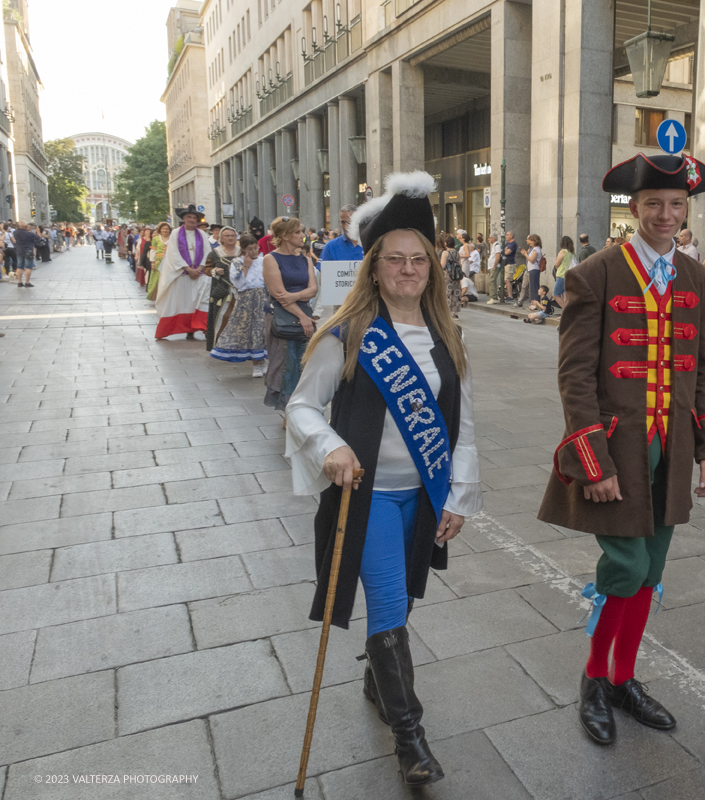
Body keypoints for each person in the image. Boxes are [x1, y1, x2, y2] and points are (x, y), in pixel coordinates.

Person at [285, 172, 479, 787]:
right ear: (373, 267)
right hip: (364, 497)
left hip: (422, 497)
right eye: (394, 259)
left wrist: (459, 494)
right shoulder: (345, 334)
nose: (407, 269)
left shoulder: (450, 335)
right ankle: (410, 737)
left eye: (418, 259)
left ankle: (376, 672)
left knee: (405, 600)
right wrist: (331, 446)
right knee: (390, 605)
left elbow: (463, 424)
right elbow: (300, 408)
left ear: (432, 267)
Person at [539, 151, 705, 746]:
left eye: (675, 205)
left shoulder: (699, 277)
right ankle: (596, 679)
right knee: (626, 566)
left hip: (671, 449)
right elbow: (575, 377)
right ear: (634, 208)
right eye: (653, 205)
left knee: (653, 570)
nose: (665, 215)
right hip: (619, 452)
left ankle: (624, 678)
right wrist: (592, 462)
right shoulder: (594, 272)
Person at [263, 217, 319, 411]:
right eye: (297, 232)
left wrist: (293, 296)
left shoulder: (305, 259)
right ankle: (289, 411)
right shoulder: (270, 258)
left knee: (305, 364)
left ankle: (302, 407)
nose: (303, 235)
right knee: (286, 363)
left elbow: (313, 289)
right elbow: (278, 296)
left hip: (305, 314)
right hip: (282, 317)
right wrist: (301, 315)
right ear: (285, 236)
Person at [211, 234, 268, 377]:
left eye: (256, 248)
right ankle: (256, 364)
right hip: (246, 300)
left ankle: (263, 359)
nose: (254, 251)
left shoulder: (264, 261)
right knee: (249, 331)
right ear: (243, 249)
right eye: (250, 249)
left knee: (263, 330)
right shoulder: (237, 262)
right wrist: (246, 268)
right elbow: (239, 284)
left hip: (263, 298)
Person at [154, 207, 212, 340]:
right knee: (183, 302)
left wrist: (200, 267)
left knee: (201, 300)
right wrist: (188, 269)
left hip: (199, 274)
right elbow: (173, 253)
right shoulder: (175, 233)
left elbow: (208, 251)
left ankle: (203, 328)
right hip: (182, 273)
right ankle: (187, 329)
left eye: (194, 218)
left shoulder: (202, 234)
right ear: (184, 219)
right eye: (189, 217)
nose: (192, 220)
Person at [202, 227, 240, 352]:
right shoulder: (215, 253)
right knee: (223, 316)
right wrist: (215, 271)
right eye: (227, 236)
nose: (230, 238)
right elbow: (206, 269)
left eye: (232, 235)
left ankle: (238, 344)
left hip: (240, 290)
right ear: (221, 238)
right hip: (221, 290)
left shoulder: (242, 252)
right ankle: (220, 344)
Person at [436, 233, 463, 319]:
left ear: (446, 243)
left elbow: (442, 265)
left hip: (448, 276)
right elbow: (460, 264)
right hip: (456, 276)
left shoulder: (445, 253)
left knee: (447, 293)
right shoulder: (457, 252)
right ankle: (455, 313)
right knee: (456, 293)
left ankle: (447, 312)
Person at [146, 222, 172, 302]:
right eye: (163, 229)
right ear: (160, 230)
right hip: (158, 261)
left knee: (168, 278)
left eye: (167, 229)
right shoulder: (156, 239)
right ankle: (157, 295)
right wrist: (152, 263)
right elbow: (153, 251)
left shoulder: (172, 238)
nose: (165, 230)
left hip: (169, 261)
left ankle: (167, 296)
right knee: (158, 279)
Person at [519, 234, 543, 306]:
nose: (529, 242)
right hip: (532, 269)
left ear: (534, 241)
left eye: (530, 240)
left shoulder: (536, 249)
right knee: (532, 287)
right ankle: (534, 303)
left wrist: (525, 254)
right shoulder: (535, 249)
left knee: (534, 288)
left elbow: (532, 260)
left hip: (534, 269)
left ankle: (535, 304)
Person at [553, 235, 576, 308]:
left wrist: (557, 269)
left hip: (561, 275)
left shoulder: (563, 252)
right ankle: (565, 313)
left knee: (556, 295)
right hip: (569, 276)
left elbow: (557, 263)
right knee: (565, 296)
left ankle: (565, 312)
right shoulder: (572, 253)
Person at [13, 221, 38, 287]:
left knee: (19, 266)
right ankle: (27, 282)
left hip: (19, 251)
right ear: (26, 226)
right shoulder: (30, 234)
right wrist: (37, 231)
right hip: (28, 251)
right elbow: (38, 238)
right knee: (28, 267)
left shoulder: (15, 232)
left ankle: (20, 282)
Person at [486, 233, 503, 304]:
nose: (489, 239)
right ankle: (493, 296)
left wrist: (494, 265)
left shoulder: (497, 245)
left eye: (490, 238)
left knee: (491, 281)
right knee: (492, 281)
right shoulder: (494, 245)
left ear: (493, 238)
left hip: (494, 266)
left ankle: (493, 297)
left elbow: (498, 256)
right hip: (492, 266)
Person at [503, 231, 519, 302]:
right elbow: (504, 251)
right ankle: (508, 294)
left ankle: (510, 296)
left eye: (507, 235)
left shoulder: (513, 244)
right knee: (506, 280)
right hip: (506, 263)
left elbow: (507, 252)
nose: (506, 236)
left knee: (508, 280)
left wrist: (505, 250)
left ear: (511, 236)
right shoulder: (507, 244)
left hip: (510, 263)